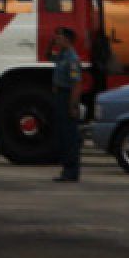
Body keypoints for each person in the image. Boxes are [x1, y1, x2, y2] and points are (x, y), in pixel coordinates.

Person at [49, 26, 84, 182]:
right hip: (59, 96)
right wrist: (51, 43)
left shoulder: (72, 59)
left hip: (67, 97)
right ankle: (66, 169)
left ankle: (72, 171)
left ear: (67, 40)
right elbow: (47, 55)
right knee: (62, 135)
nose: (57, 39)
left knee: (70, 136)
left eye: (60, 37)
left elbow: (77, 85)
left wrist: (72, 106)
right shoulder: (61, 55)